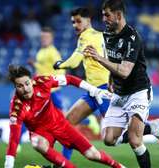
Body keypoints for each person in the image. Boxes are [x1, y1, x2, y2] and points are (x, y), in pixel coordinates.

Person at [84, 0, 159, 167]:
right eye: (103, 15)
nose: (104, 19)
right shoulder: (107, 35)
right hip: (119, 93)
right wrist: (110, 80)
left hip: (138, 92)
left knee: (135, 140)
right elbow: (113, 59)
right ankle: (155, 128)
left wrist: (99, 58)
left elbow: (125, 71)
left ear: (118, 15)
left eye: (107, 15)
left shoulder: (132, 38)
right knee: (109, 139)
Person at [4, 65, 125, 168]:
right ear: (15, 87)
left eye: (27, 83)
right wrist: (8, 164)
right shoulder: (16, 108)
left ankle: (118, 166)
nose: (25, 89)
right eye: (20, 86)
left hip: (60, 125)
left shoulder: (42, 82)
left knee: (93, 155)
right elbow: (14, 139)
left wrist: (91, 89)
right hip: (42, 133)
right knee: (37, 142)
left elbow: (69, 79)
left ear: (31, 80)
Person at [53, 7, 110, 159]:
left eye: (78, 21)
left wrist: (59, 64)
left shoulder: (85, 36)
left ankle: (156, 128)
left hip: (104, 89)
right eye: (73, 22)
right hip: (93, 90)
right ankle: (64, 163)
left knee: (116, 135)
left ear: (88, 20)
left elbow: (74, 62)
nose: (75, 25)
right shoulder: (101, 35)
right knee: (67, 124)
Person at [28, 26, 65, 110]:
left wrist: (54, 83)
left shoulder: (53, 52)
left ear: (52, 38)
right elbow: (44, 68)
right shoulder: (41, 51)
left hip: (51, 89)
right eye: (42, 37)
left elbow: (61, 69)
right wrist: (34, 65)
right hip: (41, 88)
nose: (44, 39)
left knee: (58, 113)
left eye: (46, 37)